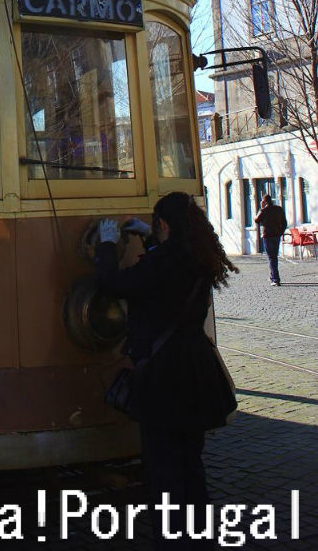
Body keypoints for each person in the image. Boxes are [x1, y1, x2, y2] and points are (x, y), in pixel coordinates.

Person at [94, 192, 238, 550]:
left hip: (163, 379)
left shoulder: (159, 265)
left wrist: (108, 245)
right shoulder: (198, 258)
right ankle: (200, 537)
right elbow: (168, 262)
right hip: (196, 371)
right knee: (191, 463)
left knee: (164, 470)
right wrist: (147, 237)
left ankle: (173, 540)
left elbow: (112, 285)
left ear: (163, 225)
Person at [254, 193, 287, 285]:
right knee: (274, 256)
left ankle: (275, 279)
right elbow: (284, 222)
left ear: (264, 201)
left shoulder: (264, 210)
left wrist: (261, 208)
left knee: (271, 257)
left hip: (267, 236)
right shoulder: (279, 209)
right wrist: (281, 232)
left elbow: (256, 220)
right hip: (276, 235)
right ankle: (273, 276)